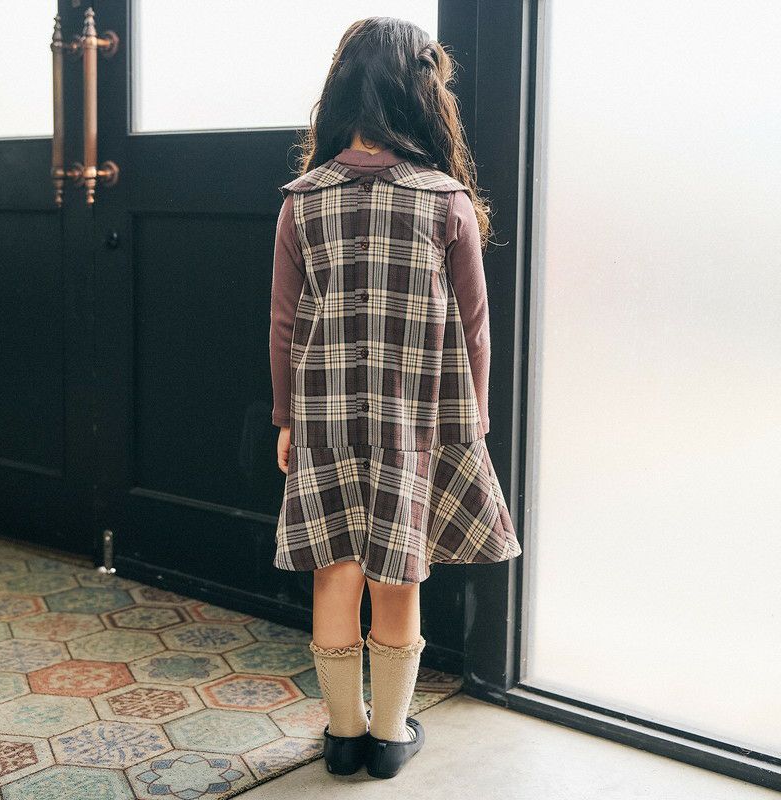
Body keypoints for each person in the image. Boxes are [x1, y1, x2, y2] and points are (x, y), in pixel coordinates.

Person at [268, 16, 522, 779]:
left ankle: (342, 735)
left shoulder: (301, 200)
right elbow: (475, 328)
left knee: (334, 570)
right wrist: (472, 421)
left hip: (324, 421)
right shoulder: (445, 200)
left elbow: (284, 324)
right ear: (423, 97)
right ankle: (387, 738)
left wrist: (285, 418)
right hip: (415, 426)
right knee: (397, 574)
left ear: (341, 91)